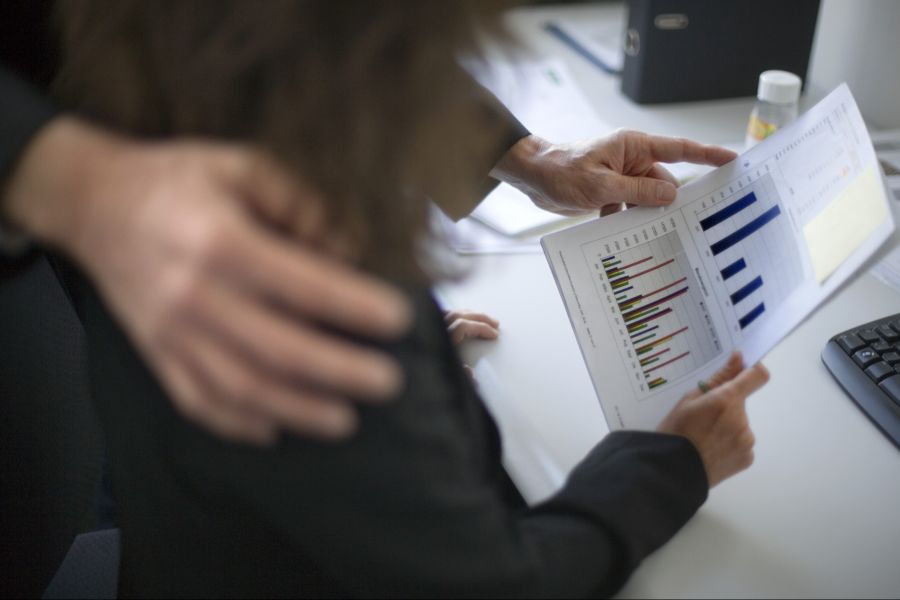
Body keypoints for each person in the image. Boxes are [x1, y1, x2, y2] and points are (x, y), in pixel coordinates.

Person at [51, 1, 768, 597]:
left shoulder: (153, 173)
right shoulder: (314, 302)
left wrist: (404, 365)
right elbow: (499, 586)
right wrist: (672, 464)